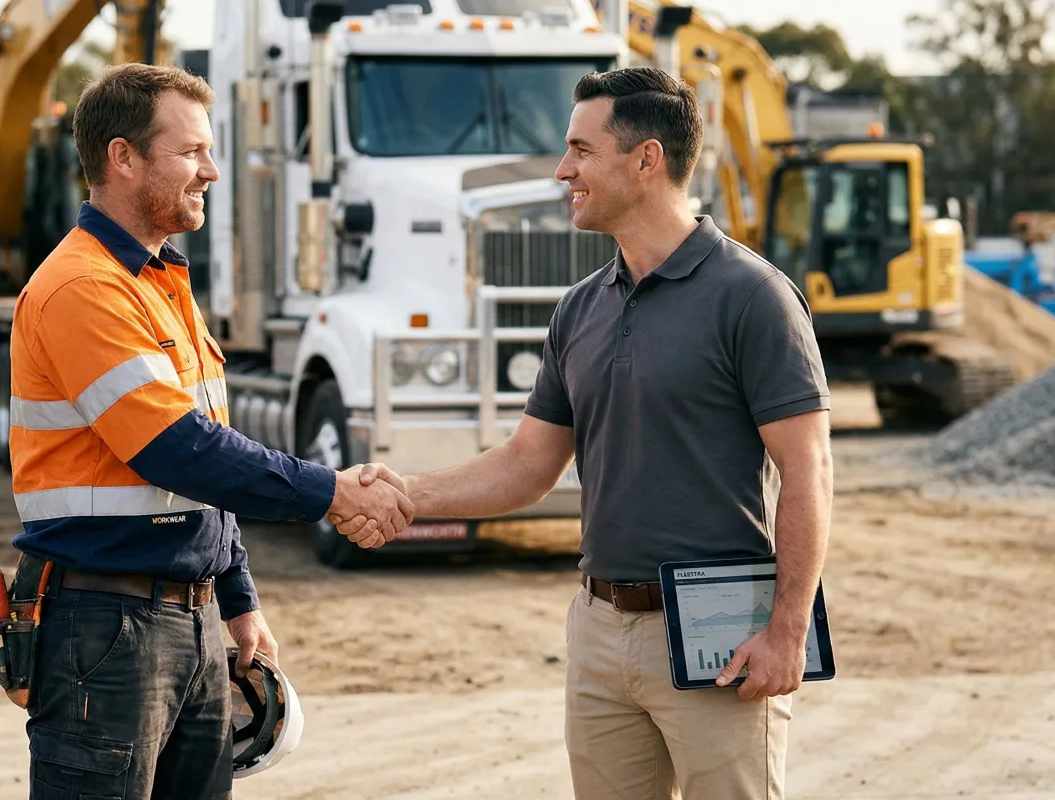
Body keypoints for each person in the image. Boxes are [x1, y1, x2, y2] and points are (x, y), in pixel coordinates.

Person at [335, 67, 834, 799]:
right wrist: (405, 492)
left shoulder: (752, 296)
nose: (562, 170)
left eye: (580, 150)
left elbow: (808, 470)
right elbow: (527, 464)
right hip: (599, 629)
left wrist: (787, 626)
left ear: (645, 160)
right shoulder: (578, 308)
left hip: (719, 631)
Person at [6, 62, 411, 800]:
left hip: (179, 624)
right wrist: (329, 492)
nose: (212, 170)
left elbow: (200, 465)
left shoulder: (160, 281)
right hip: (104, 630)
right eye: (191, 151)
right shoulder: (82, 288)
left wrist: (237, 596)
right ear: (123, 157)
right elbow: (175, 449)